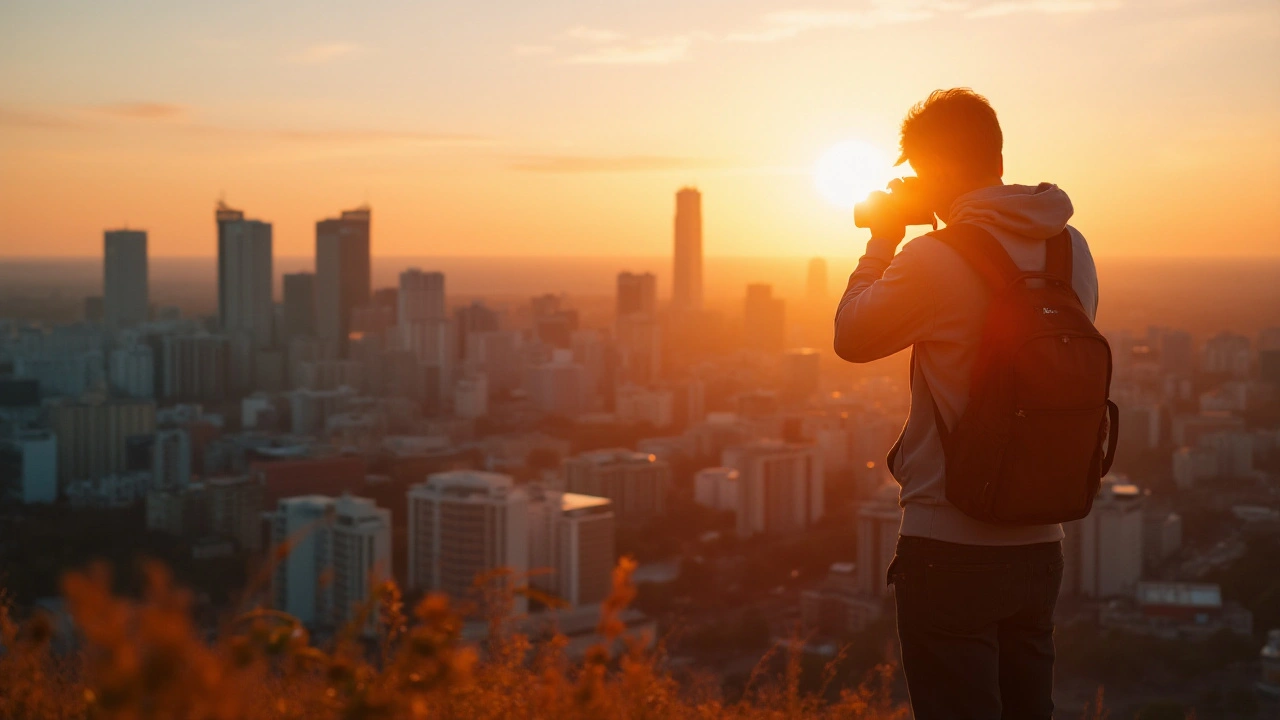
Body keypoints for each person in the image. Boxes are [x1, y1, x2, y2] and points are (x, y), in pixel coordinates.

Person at [832, 88, 1099, 719]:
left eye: (921, 172)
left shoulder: (933, 257)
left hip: (949, 545)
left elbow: (851, 336)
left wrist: (882, 242)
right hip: (1041, 543)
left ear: (941, 169)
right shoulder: (1072, 249)